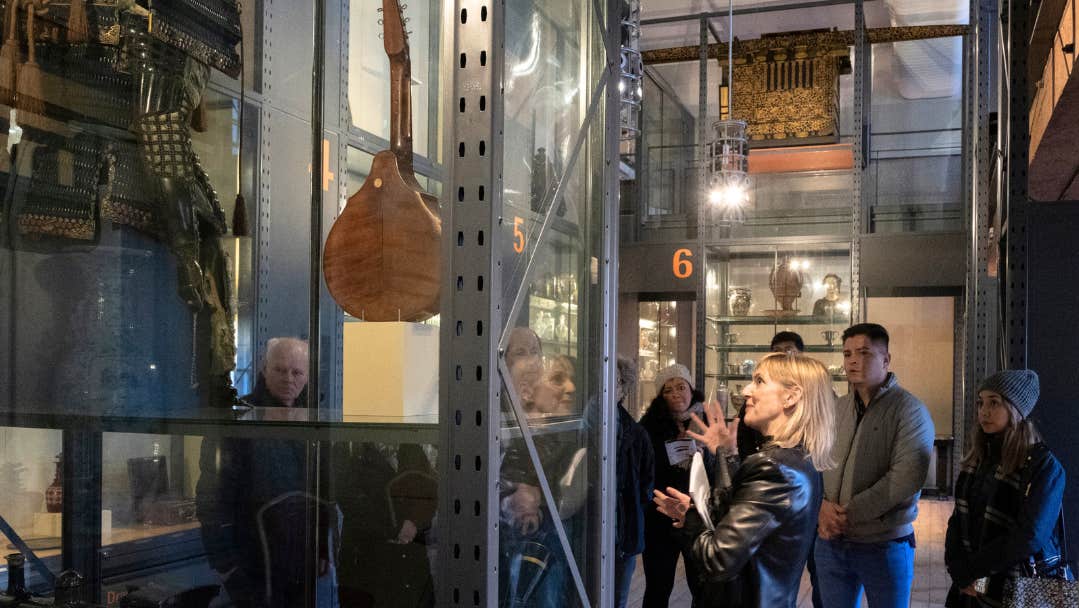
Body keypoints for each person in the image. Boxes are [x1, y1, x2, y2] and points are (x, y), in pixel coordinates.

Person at [653, 352, 836, 608]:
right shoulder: (797, 459)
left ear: (791, 396)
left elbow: (717, 560)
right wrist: (725, 457)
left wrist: (692, 520)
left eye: (759, 381)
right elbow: (746, 519)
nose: (747, 390)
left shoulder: (774, 467)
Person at [197, 338, 341, 608]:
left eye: (297, 372)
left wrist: (323, 545)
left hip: (306, 567)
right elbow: (211, 502)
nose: (289, 379)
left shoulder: (316, 422)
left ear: (308, 375)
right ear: (264, 369)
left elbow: (325, 493)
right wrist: (227, 568)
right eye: (280, 370)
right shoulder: (238, 421)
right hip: (253, 567)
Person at [814, 323, 934, 608]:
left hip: (883, 544)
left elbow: (904, 479)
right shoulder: (837, 408)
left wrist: (845, 515)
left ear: (886, 359)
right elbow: (814, 460)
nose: (853, 360)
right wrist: (820, 506)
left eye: (864, 352)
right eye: (847, 354)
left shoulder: (909, 410)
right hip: (831, 543)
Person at [945, 370, 1067, 607]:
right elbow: (958, 518)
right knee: (977, 598)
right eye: (981, 402)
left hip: (1015, 585)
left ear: (1015, 410)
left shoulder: (1043, 466)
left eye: (994, 403)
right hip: (978, 579)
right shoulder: (979, 457)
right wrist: (958, 568)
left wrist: (970, 569)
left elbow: (1029, 536)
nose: (984, 411)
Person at [639, 363, 713, 607]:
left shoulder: (708, 422)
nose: (676, 394)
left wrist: (706, 452)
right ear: (660, 396)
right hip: (661, 514)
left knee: (701, 585)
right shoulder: (649, 425)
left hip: (699, 514)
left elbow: (720, 471)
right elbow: (645, 470)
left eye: (681, 387)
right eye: (668, 390)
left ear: (692, 389)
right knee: (658, 586)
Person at [614, 357, 655, 608]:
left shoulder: (636, 433)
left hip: (624, 533)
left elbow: (645, 486)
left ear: (622, 388)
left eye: (615, 381)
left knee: (617, 598)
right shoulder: (579, 425)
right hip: (586, 532)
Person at [737, 331, 805, 459]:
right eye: (776, 351)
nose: (782, 355)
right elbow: (745, 441)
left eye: (788, 351)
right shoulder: (753, 399)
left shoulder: (811, 396)